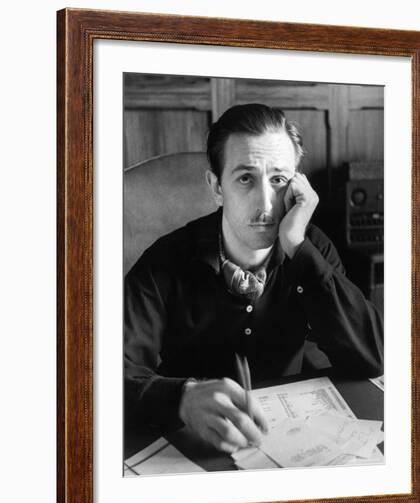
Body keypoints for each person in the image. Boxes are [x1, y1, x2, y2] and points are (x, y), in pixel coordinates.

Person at [124, 103, 383, 454]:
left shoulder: (312, 247)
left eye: (278, 180)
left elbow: (373, 357)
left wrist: (296, 246)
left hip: (291, 442)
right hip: (192, 449)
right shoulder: (164, 261)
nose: (266, 205)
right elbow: (102, 375)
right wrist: (180, 397)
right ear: (216, 186)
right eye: (245, 178)